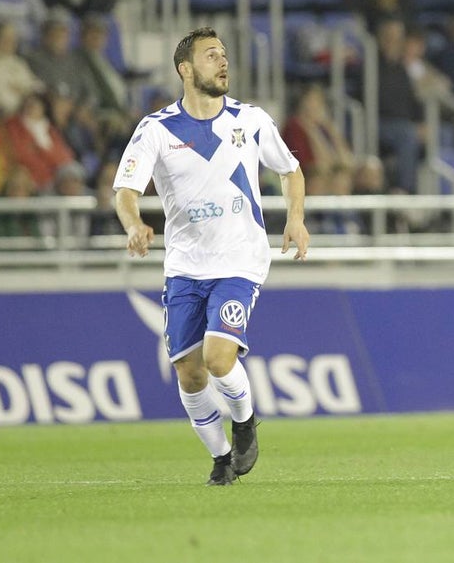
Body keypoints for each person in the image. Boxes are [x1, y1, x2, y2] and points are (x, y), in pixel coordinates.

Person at [112, 27, 309, 485]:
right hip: (184, 266)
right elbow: (125, 190)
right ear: (185, 69)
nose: (223, 63)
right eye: (210, 56)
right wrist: (133, 224)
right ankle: (222, 459)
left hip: (240, 259)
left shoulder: (252, 120)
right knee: (189, 373)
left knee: (220, 358)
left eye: (224, 55)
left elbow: (291, 169)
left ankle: (243, 422)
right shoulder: (156, 129)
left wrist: (295, 218)